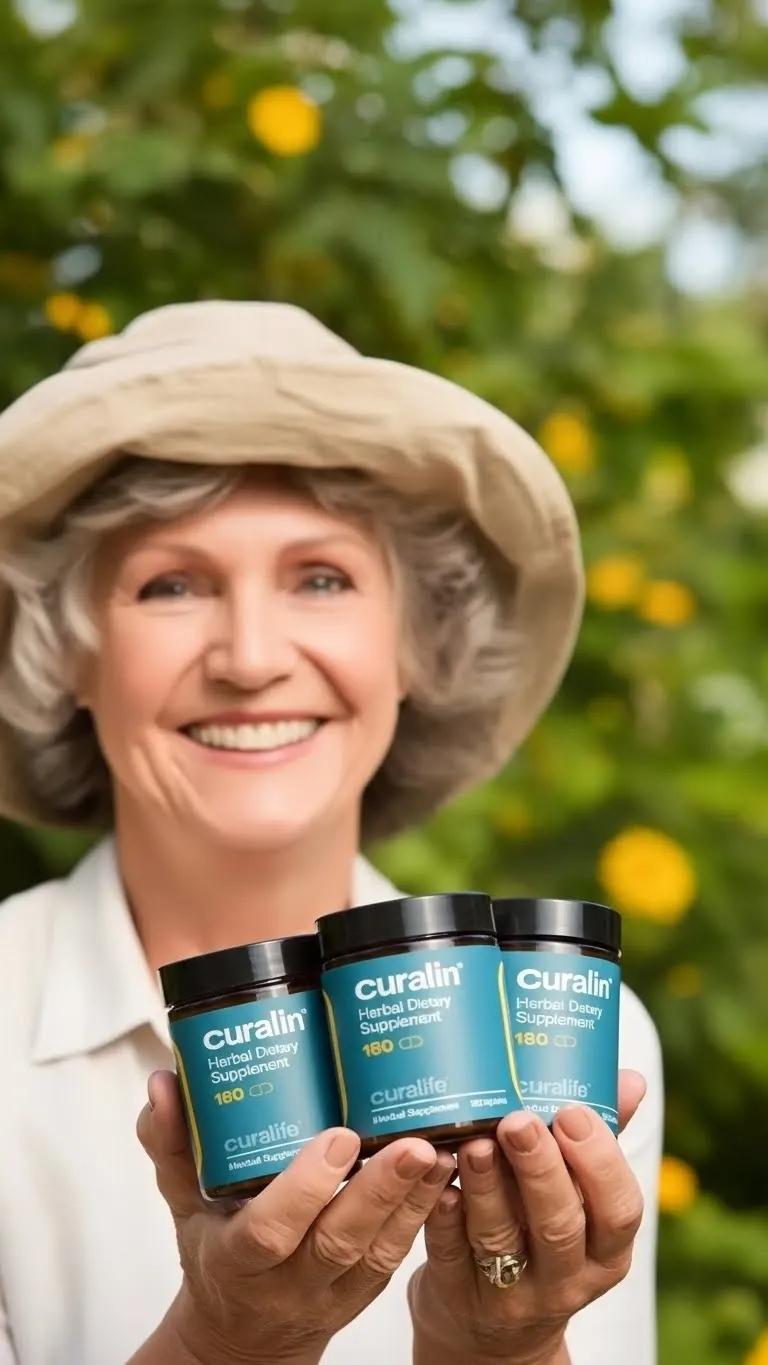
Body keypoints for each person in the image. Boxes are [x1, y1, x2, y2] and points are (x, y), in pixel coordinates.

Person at [0, 301, 662, 1365]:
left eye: (322, 578)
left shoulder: (571, 1024)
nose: (251, 657)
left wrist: (499, 1346)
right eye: (171, 585)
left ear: (418, 642)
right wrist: (223, 1345)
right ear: (64, 651)